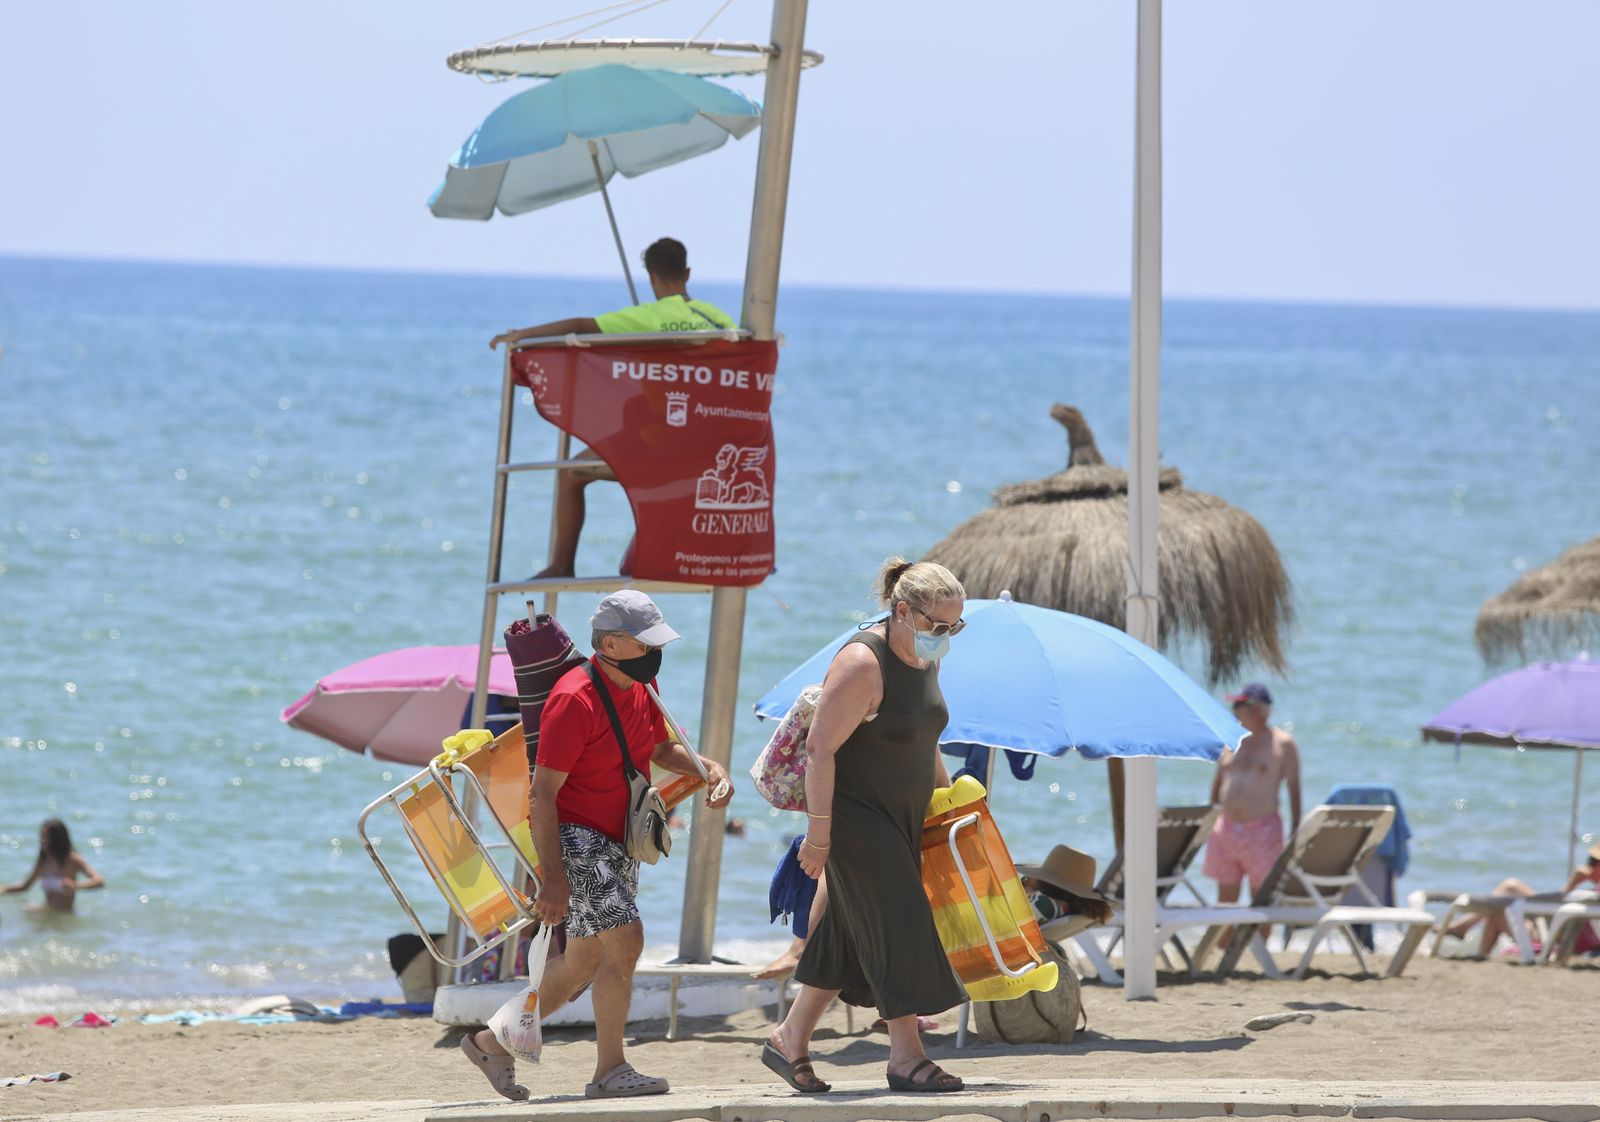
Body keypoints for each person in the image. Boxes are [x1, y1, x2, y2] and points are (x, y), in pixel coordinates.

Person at [459, 591, 734, 1102]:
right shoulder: (572, 699)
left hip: (617, 838)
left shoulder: (642, 683)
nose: (657, 651)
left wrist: (708, 767)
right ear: (610, 643)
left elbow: (655, 746)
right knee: (626, 939)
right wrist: (553, 878)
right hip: (575, 834)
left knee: (584, 961)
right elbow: (542, 793)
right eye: (646, 642)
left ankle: (489, 1041)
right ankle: (611, 1068)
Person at [763, 557, 969, 1096]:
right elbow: (819, 749)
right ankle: (907, 1056)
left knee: (848, 935)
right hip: (855, 818)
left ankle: (789, 1038)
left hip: (903, 815)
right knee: (901, 921)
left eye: (955, 626)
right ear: (903, 611)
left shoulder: (927, 662)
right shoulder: (862, 662)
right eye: (937, 626)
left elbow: (926, 741)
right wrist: (819, 835)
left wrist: (947, 806)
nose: (945, 637)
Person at [487, 237, 737, 579]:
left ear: (651, 277)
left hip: (663, 445)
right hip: (713, 447)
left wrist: (519, 335)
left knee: (570, 472)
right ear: (687, 273)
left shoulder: (651, 316)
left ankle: (562, 564)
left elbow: (580, 326)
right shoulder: (722, 320)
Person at [1203, 682, 1301, 909]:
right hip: (1226, 830)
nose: (1236, 710)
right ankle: (1224, 946)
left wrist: (1295, 830)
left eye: (1241, 704)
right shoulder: (1231, 740)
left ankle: (1258, 945)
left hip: (1263, 829)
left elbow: (1294, 788)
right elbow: (1217, 784)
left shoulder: (1282, 743)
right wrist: (1208, 821)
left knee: (1262, 901)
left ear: (1259, 709)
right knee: (1225, 901)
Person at [1447, 841, 1600, 957]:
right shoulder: (1593, 892)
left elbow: (1558, 910)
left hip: (1559, 941)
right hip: (1553, 931)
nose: (1588, 865)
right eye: (1589, 861)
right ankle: (1475, 947)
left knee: (1509, 889)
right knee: (1504, 897)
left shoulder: (1595, 892)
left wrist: (1573, 882)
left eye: (1593, 862)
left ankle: (1471, 942)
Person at [2, 819, 104, 913]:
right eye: (42, 836)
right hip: (48, 914)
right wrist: (3, 889)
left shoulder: (73, 859)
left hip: (66, 915)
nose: (43, 841)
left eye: (47, 837)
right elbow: (25, 886)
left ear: (57, 839)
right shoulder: (43, 861)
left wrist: (75, 885)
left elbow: (99, 881)